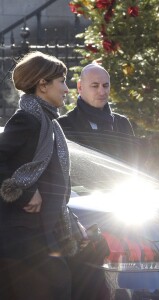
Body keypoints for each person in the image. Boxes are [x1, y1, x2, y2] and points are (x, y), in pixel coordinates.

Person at [0, 51, 73, 299]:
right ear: (42, 85)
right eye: (61, 81)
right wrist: (25, 193)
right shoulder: (27, 120)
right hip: (21, 235)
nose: (66, 89)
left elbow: (54, 180)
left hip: (40, 232)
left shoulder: (47, 122)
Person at [57, 62, 134, 135]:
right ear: (80, 87)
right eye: (95, 86)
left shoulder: (122, 124)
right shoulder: (63, 125)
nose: (102, 92)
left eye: (105, 86)